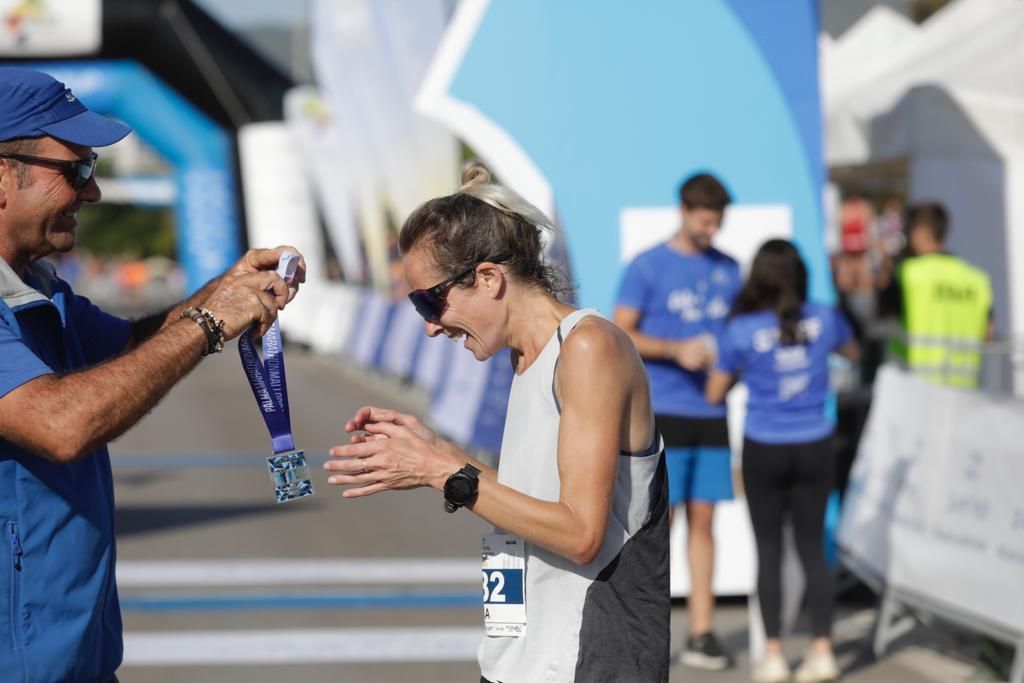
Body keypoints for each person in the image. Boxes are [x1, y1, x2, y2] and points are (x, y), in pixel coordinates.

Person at [0, 67, 305, 683]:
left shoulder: (37, 288)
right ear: (3, 175)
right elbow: (62, 425)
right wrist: (211, 323)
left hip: (74, 658)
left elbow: (137, 346)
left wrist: (225, 290)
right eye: (77, 170)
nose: (93, 192)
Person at [325, 162, 670, 683]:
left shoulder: (588, 347)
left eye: (429, 301)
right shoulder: (525, 357)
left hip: (589, 659)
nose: (431, 327)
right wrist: (443, 454)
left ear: (488, 278)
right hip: (522, 659)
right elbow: (527, 516)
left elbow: (580, 533)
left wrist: (444, 471)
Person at [705, 240, 858, 683]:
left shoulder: (741, 328)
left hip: (765, 447)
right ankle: (823, 649)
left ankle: (773, 655)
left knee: (768, 551)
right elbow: (852, 351)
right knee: (813, 548)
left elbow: (716, 392)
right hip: (815, 442)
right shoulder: (824, 318)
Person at [613, 172, 740, 670]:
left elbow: (737, 334)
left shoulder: (731, 269)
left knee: (706, 521)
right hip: (662, 409)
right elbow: (622, 332)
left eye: (717, 222)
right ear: (684, 212)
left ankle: (703, 630)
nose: (711, 231)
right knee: (659, 525)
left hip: (711, 411)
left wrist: (729, 368)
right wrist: (674, 349)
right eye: (705, 221)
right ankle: (649, 628)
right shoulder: (648, 266)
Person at [879, 201, 993, 388]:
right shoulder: (977, 280)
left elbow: (880, 316)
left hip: (916, 389)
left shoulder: (907, 274)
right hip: (965, 391)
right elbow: (988, 334)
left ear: (920, 231)